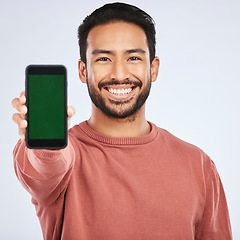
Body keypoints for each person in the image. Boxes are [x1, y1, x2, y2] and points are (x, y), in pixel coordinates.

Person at [12, 2, 232, 240]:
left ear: (153, 68)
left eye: (134, 57)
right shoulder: (65, 154)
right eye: (104, 59)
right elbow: (45, 168)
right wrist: (46, 144)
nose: (119, 74)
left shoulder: (199, 164)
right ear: (83, 70)